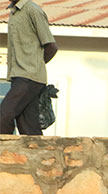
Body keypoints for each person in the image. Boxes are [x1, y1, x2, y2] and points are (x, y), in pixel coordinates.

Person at [0, 0, 58, 135]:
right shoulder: (14, 12)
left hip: (29, 77)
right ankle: (42, 155)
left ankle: (5, 152)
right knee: (29, 128)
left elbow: (52, 47)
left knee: (3, 116)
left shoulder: (32, 10)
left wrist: (35, 67)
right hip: (18, 77)